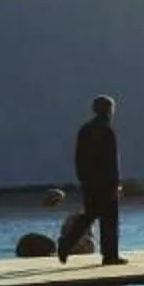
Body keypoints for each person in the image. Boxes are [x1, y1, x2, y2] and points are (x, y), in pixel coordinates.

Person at [57, 93, 126, 264]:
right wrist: (116, 183)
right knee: (109, 219)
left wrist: (83, 178)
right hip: (106, 182)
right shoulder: (107, 131)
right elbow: (111, 161)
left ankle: (66, 243)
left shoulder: (85, 130)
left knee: (89, 216)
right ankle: (110, 256)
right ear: (108, 110)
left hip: (89, 182)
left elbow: (79, 158)